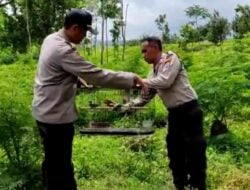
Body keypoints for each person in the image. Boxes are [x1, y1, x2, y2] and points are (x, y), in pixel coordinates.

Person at [32, 9, 147, 190]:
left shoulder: (51, 39)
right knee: (61, 168)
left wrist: (77, 79)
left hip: (43, 113)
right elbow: (97, 75)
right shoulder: (62, 49)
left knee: (52, 161)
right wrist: (131, 78)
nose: (85, 36)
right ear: (76, 28)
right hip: (56, 119)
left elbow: (55, 71)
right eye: (85, 31)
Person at [109, 36, 207, 190]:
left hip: (189, 111)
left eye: (144, 51)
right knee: (175, 152)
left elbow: (165, 81)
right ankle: (180, 185)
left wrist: (137, 81)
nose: (143, 55)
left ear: (154, 48)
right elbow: (143, 98)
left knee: (194, 152)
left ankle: (197, 185)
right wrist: (122, 107)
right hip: (174, 114)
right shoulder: (151, 74)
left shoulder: (170, 58)